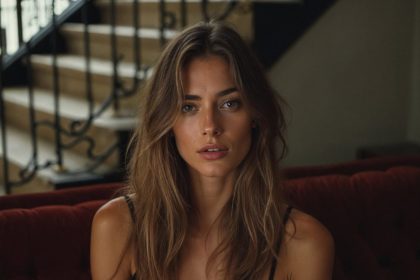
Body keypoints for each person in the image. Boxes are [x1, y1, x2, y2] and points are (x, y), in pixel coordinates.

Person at [90, 21, 334, 280]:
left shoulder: (305, 244)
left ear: (254, 114)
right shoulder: (117, 227)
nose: (210, 127)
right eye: (188, 107)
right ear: (166, 122)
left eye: (229, 103)